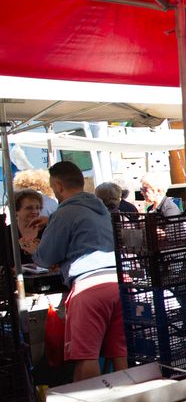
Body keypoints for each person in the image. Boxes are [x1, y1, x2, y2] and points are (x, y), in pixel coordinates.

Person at [33, 161, 127, 380]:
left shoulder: (64, 213)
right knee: (120, 356)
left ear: (57, 185)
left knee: (86, 358)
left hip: (89, 288)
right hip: (118, 283)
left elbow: (45, 258)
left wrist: (32, 244)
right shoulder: (99, 207)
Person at [13, 189, 44, 264]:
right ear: (16, 210)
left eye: (38, 208)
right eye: (29, 208)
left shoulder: (47, 230)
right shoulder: (6, 232)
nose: (35, 211)